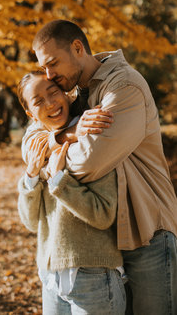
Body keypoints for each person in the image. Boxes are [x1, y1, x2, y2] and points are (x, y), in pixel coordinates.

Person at [22, 19, 177, 315]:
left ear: (78, 48)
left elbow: (90, 161)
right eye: (43, 68)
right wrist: (65, 133)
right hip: (109, 241)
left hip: (148, 232)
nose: (49, 75)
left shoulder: (123, 86)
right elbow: (31, 137)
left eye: (52, 64)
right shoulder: (75, 93)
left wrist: (48, 165)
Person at [17, 70, 126, 314]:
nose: (50, 103)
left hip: (94, 274)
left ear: (67, 95)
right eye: (38, 101)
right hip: (51, 277)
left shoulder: (90, 138)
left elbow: (103, 214)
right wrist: (32, 177)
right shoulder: (39, 150)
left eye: (53, 92)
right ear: (30, 114)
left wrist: (59, 181)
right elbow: (31, 222)